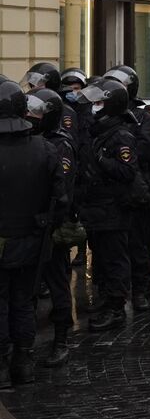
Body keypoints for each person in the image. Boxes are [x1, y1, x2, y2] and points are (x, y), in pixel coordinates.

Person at [0, 81, 65, 386]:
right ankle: (23, 362)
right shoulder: (46, 149)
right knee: (23, 300)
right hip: (32, 240)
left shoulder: (45, 148)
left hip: (11, 240)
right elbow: (61, 199)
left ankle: (3, 365)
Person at [77, 78, 139, 332]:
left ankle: (116, 308)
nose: (95, 107)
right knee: (102, 257)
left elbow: (128, 171)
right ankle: (106, 297)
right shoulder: (100, 131)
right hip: (98, 207)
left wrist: (102, 161)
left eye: (100, 103)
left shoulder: (121, 134)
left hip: (114, 207)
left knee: (115, 259)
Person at [26, 89, 77, 366]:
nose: (29, 117)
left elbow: (62, 190)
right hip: (28, 225)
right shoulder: (28, 140)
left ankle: (61, 339)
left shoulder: (60, 145)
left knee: (57, 282)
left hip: (52, 226)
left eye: (35, 113)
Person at [103, 67, 150, 311]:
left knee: (138, 243)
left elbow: (145, 150)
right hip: (108, 190)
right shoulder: (102, 118)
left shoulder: (143, 117)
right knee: (110, 248)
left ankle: (141, 290)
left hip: (135, 187)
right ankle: (111, 293)